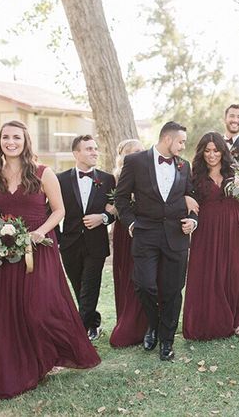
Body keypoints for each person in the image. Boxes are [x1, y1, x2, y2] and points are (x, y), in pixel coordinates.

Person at [0, 120, 99, 400]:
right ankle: (20, 365)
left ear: (26, 141)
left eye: (16, 137)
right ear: (0, 141)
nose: (11, 142)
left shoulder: (43, 172)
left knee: (39, 308)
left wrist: (38, 233)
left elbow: (59, 210)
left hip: (40, 248)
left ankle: (49, 354)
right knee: (8, 313)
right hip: (2, 254)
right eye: (6, 137)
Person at [115, 121, 198, 361]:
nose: (183, 146)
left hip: (176, 235)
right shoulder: (135, 162)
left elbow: (190, 197)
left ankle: (167, 340)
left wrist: (193, 221)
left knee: (173, 290)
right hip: (145, 233)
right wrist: (131, 223)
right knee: (144, 284)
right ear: (168, 139)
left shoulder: (184, 166)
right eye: (181, 142)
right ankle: (153, 323)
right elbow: (121, 199)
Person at [182, 132, 239, 340]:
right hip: (207, 230)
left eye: (216, 150)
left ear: (223, 151)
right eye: (207, 150)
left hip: (235, 227)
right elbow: (185, 196)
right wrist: (186, 197)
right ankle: (211, 317)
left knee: (237, 270)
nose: (212, 155)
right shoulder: (194, 175)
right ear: (202, 152)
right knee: (209, 271)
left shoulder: (238, 173)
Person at [57, 135, 116, 341]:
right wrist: (58, 240)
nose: (94, 152)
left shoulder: (108, 179)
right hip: (69, 244)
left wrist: (103, 217)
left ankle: (78, 335)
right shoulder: (60, 179)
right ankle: (93, 323)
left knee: (90, 286)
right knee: (79, 286)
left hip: (96, 244)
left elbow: (116, 209)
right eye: (89, 149)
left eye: (95, 148)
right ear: (76, 153)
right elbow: (50, 211)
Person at [108, 139, 147, 348]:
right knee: (126, 274)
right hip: (125, 231)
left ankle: (146, 322)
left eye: (141, 151)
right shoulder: (113, 179)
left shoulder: (150, 175)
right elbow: (110, 207)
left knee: (145, 276)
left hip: (147, 230)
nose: (138, 155)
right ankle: (127, 320)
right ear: (123, 156)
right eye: (132, 152)